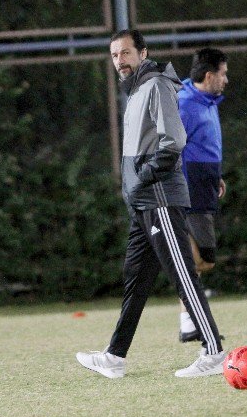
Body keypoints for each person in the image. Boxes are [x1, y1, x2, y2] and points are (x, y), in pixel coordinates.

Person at [76, 29, 225, 378]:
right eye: (114, 56)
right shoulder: (136, 90)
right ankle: (115, 357)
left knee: (183, 276)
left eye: (125, 53)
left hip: (159, 198)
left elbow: (174, 141)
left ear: (143, 53)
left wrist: (144, 175)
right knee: (136, 281)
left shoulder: (156, 84)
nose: (119, 61)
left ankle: (215, 352)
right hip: (142, 202)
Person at [177, 48, 229, 342]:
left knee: (204, 259)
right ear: (209, 76)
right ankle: (190, 320)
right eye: (222, 73)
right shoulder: (184, 104)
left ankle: (189, 319)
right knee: (198, 259)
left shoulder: (209, 101)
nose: (226, 79)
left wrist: (215, 175)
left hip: (205, 184)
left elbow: (204, 144)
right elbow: (171, 148)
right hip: (189, 189)